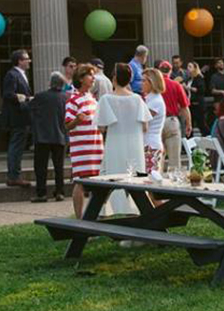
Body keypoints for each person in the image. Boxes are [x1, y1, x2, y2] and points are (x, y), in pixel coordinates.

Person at [96, 62, 151, 214]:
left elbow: (101, 127)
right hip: (134, 144)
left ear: (114, 78)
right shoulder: (137, 99)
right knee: (135, 178)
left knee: (111, 177)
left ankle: (108, 210)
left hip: (115, 144)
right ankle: (136, 210)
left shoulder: (106, 99)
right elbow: (145, 127)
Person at [65, 64, 103, 217]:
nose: (93, 78)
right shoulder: (73, 100)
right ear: (81, 78)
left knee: (98, 182)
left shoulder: (92, 98)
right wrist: (77, 120)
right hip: (81, 148)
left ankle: (93, 215)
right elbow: (67, 125)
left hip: (96, 145)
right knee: (80, 181)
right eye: (90, 75)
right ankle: (80, 218)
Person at [30, 72, 69, 202]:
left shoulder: (40, 96)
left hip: (42, 136)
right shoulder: (66, 97)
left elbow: (28, 109)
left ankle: (41, 193)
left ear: (50, 83)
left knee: (41, 167)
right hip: (60, 136)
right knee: (59, 167)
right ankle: (60, 192)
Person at [0, 48, 33, 188]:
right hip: (17, 117)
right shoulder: (12, 75)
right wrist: (26, 98)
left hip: (22, 116)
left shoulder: (22, 74)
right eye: (26, 59)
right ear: (19, 61)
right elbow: (8, 94)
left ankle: (14, 175)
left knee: (18, 147)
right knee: (16, 147)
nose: (29, 61)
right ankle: (14, 176)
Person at [158, 63, 192, 170]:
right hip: (171, 121)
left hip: (156, 122)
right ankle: (173, 183)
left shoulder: (154, 85)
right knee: (174, 160)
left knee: (158, 158)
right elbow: (184, 107)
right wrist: (188, 123)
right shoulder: (176, 85)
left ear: (159, 70)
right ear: (170, 71)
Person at [141, 69, 167, 169]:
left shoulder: (155, 101)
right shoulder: (150, 99)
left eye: (144, 81)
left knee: (150, 179)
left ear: (152, 82)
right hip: (148, 143)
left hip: (151, 145)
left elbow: (143, 121)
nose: (141, 84)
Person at [185, 61, 207, 134]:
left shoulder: (199, 78)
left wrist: (188, 88)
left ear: (195, 68)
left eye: (190, 67)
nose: (188, 68)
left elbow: (201, 90)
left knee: (201, 123)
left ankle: (207, 137)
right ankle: (189, 141)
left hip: (198, 104)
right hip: (190, 103)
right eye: (187, 67)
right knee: (189, 123)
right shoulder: (189, 79)